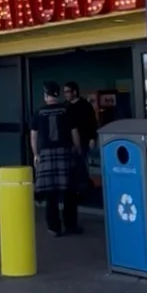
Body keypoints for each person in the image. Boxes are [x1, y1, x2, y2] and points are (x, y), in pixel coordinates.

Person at [30, 80, 81, 236]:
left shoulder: (38, 111)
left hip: (46, 154)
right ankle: (71, 226)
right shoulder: (66, 109)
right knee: (69, 192)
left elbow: (33, 135)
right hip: (65, 153)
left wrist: (36, 154)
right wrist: (77, 149)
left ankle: (54, 228)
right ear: (57, 95)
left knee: (50, 194)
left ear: (46, 95)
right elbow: (74, 132)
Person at [62, 80, 98, 207]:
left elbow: (92, 122)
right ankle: (75, 190)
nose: (65, 94)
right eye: (64, 92)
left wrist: (92, 138)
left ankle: (85, 191)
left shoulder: (85, 106)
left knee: (82, 164)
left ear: (75, 92)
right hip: (68, 143)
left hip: (83, 140)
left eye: (67, 91)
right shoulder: (65, 106)